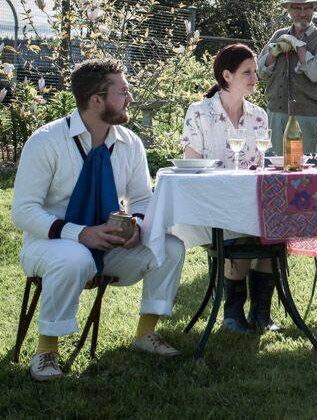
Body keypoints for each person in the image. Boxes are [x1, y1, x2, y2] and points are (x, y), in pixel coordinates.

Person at [12, 59, 185, 381]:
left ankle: (145, 333)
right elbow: (22, 211)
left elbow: (142, 198)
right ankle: (46, 349)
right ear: (97, 99)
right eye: (123, 92)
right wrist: (81, 234)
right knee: (74, 256)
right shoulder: (46, 141)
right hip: (49, 245)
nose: (130, 98)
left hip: (109, 243)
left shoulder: (129, 142)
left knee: (171, 246)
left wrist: (135, 225)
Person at [182, 43, 279, 333]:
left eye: (255, 72)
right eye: (247, 72)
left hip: (252, 200)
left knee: (273, 228)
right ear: (227, 75)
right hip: (213, 203)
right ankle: (233, 313)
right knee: (242, 229)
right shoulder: (200, 112)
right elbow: (192, 166)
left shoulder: (259, 115)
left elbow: (261, 165)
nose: (254, 78)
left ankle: (262, 313)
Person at [257, 0, 317, 155]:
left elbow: (315, 74)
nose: (302, 13)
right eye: (297, 8)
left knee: (301, 170)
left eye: (307, 7)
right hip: (275, 113)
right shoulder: (279, 35)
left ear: (313, 9)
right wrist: (273, 53)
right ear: (289, 11)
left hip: (305, 116)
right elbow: (260, 72)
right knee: (272, 169)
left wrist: (299, 48)